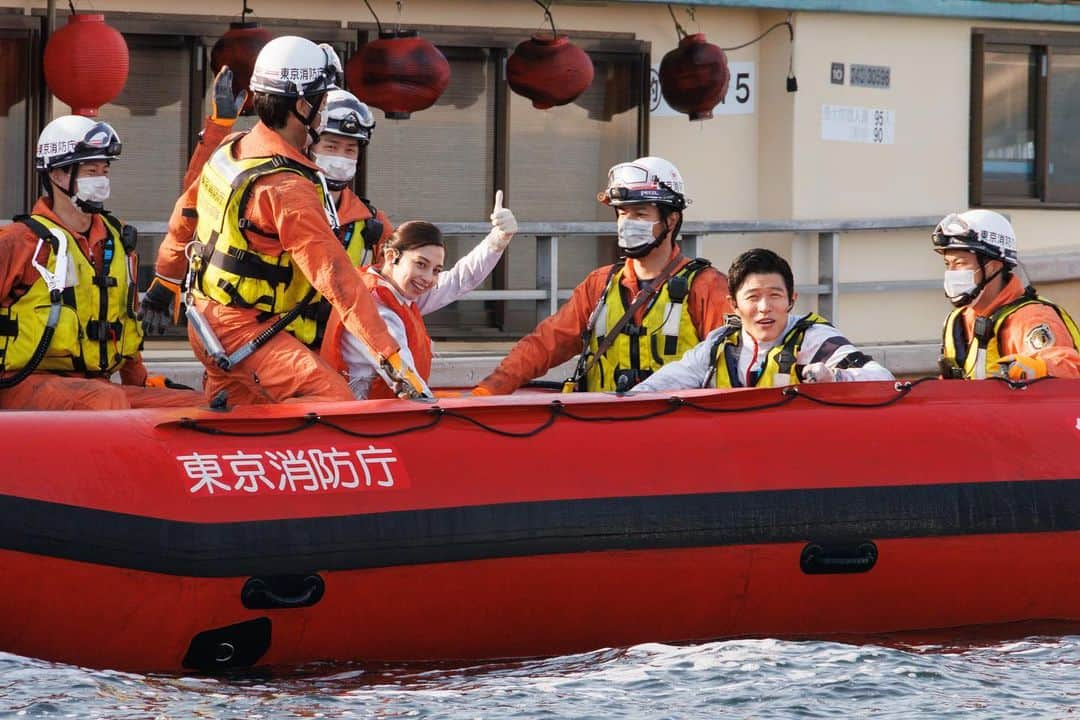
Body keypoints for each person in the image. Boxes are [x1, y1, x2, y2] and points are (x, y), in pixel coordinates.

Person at [151, 35, 422, 404]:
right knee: (330, 399)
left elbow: (186, 215)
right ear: (301, 105)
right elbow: (335, 277)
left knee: (237, 416)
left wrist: (164, 283)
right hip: (246, 332)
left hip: (208, 319)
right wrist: (390, 357)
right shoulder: (286, 188)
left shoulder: (232, 147)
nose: (326, 110)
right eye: (322, 101)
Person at [141, 71, 392, 352]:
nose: (341, 158)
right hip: (256, 338)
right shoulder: (275, 188)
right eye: (332, 146)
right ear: (310, 142)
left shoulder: (371, 225)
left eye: (350, 150)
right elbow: (199, 202)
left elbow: (402, 285)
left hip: (333, 348)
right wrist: (167, 281)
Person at [472, 156, 732, 395]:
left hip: (675, 429)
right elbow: (544, 345)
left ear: (671, 221)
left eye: (640, 214)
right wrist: (489, 391)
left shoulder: (705, 286)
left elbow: (730, 361)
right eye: (622, 213)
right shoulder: (600, 285)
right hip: (604, 424)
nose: (627, 223)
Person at [0, 116, 201, 410]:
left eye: (105, 171)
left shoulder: (117, 241)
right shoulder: (20, 241)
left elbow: (124, 326)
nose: (101, 179)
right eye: (91, 170)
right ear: (57, 174)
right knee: (106, 400)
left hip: (96, 386)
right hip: (25, 384)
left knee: (194, 404)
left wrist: (142, 382)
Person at [322, 193, 517, 398]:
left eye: (436, 270)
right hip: (363, 420)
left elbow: (459, 280)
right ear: (391, 257)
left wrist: (498, 239)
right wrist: (432, 406)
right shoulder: (377, 308)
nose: (427, 278)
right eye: (421, 264)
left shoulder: (398, 293)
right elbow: (407, 379)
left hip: (379, 413)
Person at [632, 248, 893, 392]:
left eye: (775, 296)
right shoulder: (719, 345)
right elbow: (661, 385)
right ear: (733, 305)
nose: (764, 308)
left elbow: (882, 379)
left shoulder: (814, 340)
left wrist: (834, 378)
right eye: (753, 297)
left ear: (792, 299)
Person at [933, 209, 1080, 380]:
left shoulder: (1030, 318)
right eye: (947, 264)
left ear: (993, 266)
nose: (951, 272)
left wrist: (1041, 369)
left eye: (960, 263)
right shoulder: (958, 320)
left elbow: (1071, 369)